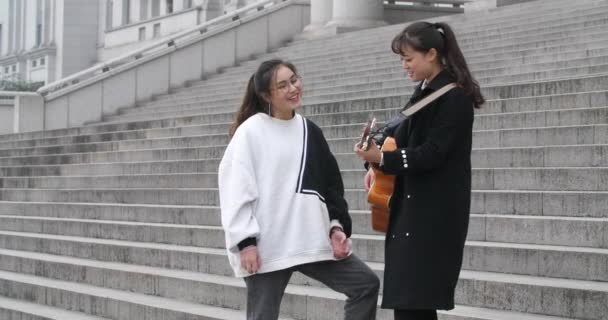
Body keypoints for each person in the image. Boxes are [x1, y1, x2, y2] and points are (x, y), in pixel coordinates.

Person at [218, 59, 380, 320]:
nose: (293, 88)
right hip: (267, 245)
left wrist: (336, 226)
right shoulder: (250, 132)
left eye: (294, 80)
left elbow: (330, 186)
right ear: (265, 94)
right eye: (282, 85)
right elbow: (235, 189)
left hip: (310, 238)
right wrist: (245, 242)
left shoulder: (310, 131)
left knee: (365, 284)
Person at [355, 21, 485, 320]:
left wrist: (385, 160)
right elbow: (398, 139)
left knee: (415, 301)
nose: (404, 65)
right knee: (411, 303)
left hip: (434, 216)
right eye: (402, 59)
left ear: (431, 54)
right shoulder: (425, 92)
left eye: (408, 58)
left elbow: (433, 154)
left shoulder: (455, 97)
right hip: (412, 210)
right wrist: (374, 161)